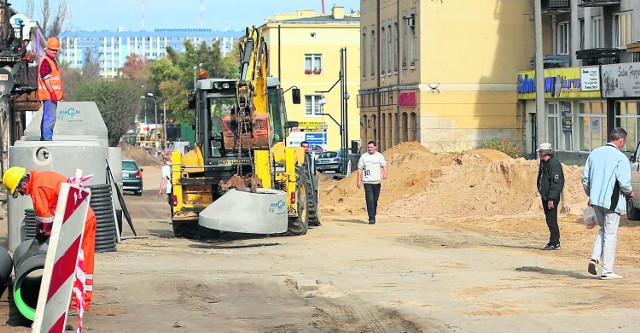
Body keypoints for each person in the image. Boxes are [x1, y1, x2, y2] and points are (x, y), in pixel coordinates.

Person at [2, 167, 96, 309]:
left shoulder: (37, 189)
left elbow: (45, 224)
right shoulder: (43, 177)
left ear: (23, 184)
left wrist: (39, 241)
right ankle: (79, 299)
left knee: (78, 261)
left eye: (19, 192)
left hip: (79, 221)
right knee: (76, 260)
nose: (21, 194)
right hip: (79, 217)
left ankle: (80, 302)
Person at [582, 127, 635, 280]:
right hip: (612, 202)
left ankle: (594, 258)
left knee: (603, 229)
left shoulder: (594, 153)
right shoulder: (620, 157)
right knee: (611, 234)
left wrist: (590, 194)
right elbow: (624, 182)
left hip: (595, 200)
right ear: (621, 140)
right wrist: (630, 192)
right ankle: (607, 271)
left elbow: (585, 179)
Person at [536, 143, 565, 250]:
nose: (539, 154)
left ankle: (555, 242)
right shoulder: (544, 162)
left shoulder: (554, 164)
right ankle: (552, 241)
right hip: (546, 196)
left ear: (545, 152)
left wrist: (551, 198)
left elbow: (556, 183)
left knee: (551, 220)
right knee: (549, 220)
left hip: (550, 198)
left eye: (540, 152)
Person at [38, 37, 64, 141]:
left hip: (51, 95)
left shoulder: (51, 61)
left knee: (47, 117)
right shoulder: (46, 61)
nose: (54, 52)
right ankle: (47, 139)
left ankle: (44, 138)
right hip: (49, 95)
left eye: (56, 50)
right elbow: (45, 78)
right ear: (47, 49)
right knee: (50, 118)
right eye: (52, 49)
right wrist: (52, 93)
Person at [357, 141, 388, 224]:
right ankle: (371, 218)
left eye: (371, 147)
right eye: (368, 147)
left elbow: (384, 165)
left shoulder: (379, 156)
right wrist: (359, 180)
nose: (370, 149)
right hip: (367, 182)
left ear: (375, 147)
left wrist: (385, 174)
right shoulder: (364, 157)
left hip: (377, 182)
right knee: (369, 200)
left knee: (374, 201)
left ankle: (373, 215)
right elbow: (360, 169)